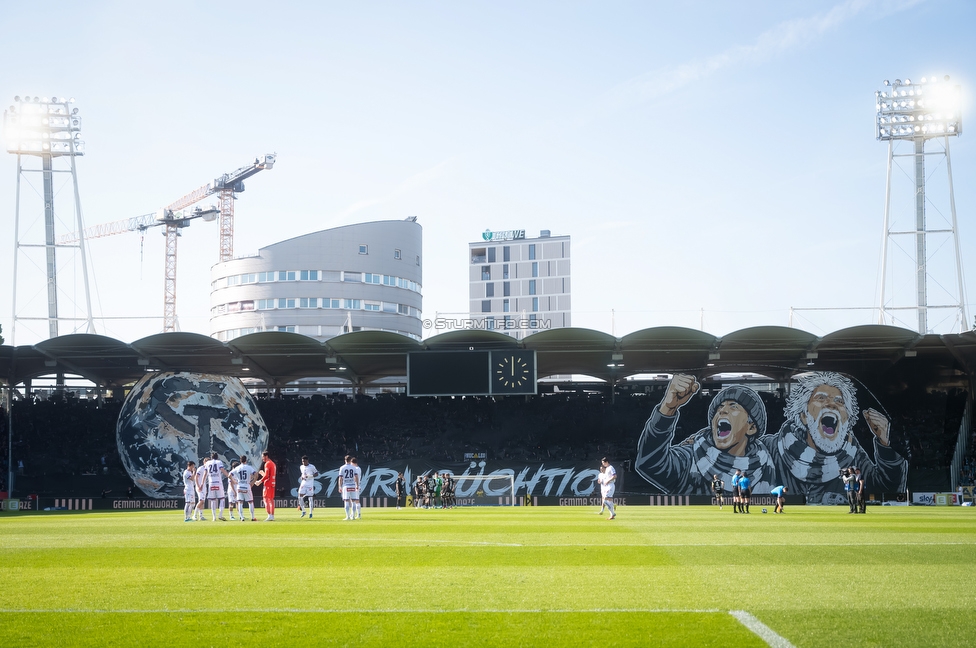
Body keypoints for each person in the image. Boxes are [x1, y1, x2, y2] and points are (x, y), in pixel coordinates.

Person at [759, 371, 908, 505]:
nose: (831, 404)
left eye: (839, 401)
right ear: (804, 415)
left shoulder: (853, 453)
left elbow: (887, 488)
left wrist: (884, 444)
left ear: (846, 418)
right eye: (821, 398)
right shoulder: (771, 448)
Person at [635, 376, 774, 495]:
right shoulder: (690, 459)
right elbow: (650, 463)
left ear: (751, 427)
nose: (722, 411)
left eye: (733, 406)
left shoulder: (769, 461)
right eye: (719, 407)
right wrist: (667, 408)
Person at [201, 452, 230, 521]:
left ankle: (214, 517)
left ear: (211, 457)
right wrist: (229, 476)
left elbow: (205, 474)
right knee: (222, 499)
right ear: (217, 457)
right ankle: (220, 515)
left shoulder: (208, 463)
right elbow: (222, 470)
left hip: (211, 483)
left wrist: (202, 483)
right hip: (218, 482)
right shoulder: (219, 462)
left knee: (213, 500)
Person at [229, 455, 258, 521]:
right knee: (250, 502)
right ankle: (253, 517)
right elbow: (256, 474)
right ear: (246, 460)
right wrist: (252, 482)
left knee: (240, 502)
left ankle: (241, 517)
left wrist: (234, 481)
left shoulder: (237, 468)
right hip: (246, 486)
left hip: (239, 486)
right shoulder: (249, 467)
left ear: (240, 460)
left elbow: (229, 475)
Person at [254, 450, 277, 521]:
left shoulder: (267, 464)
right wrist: (263, 474)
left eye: (263, 457)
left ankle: (269, 515)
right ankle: (271, 515)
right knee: (271, 500)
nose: (262, 458)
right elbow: (269, 475)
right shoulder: (273, 464)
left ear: (266, 456)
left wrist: (259, 481)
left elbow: (267, 476)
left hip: (268, 484)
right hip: (272, 483)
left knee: (266, 499)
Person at [338, 455, 358, 520]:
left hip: (346, 485)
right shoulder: (354, 468)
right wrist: (357, 485)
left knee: (346, 501)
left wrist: (340, 486)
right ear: (350, 460)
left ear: (345, 460)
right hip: (352, 485)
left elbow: (340, 478)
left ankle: (347, 516)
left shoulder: (342, 468)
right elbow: (356, 477)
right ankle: (353, 516)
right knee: (353, 501)